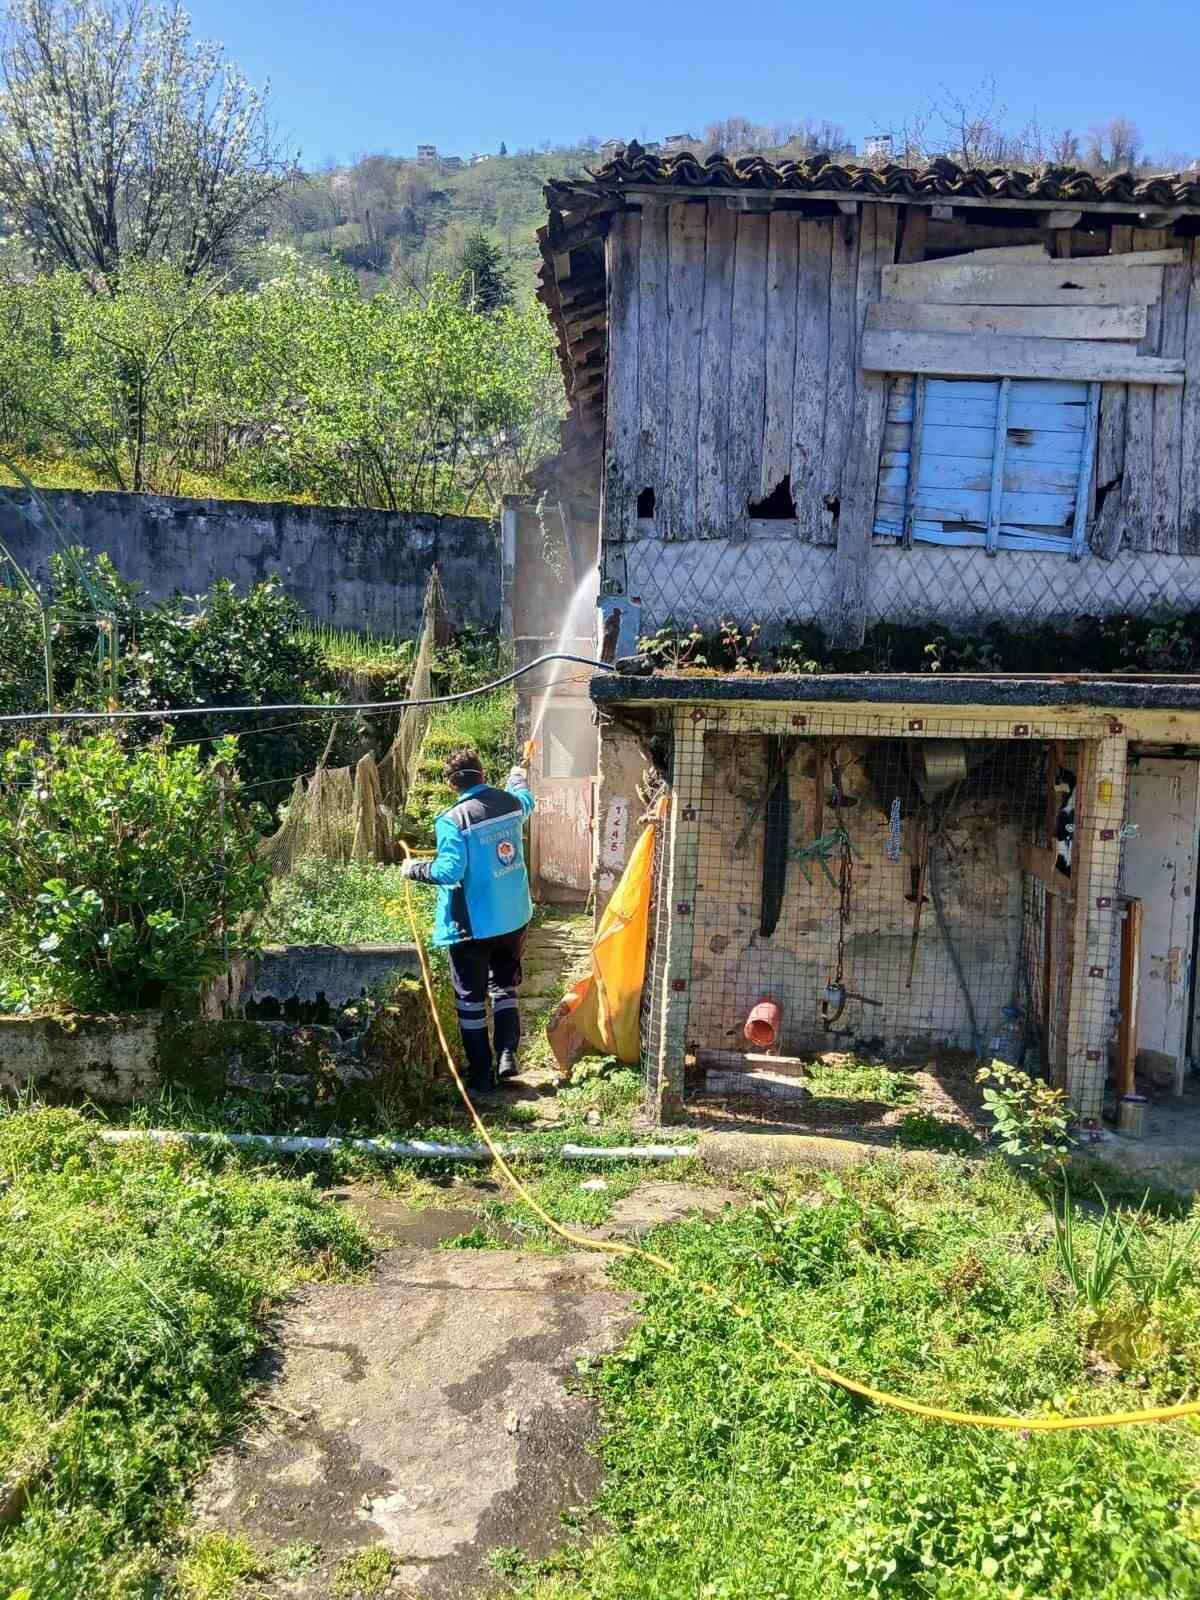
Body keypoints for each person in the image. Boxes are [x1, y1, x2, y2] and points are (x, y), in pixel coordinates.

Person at [401, 746, 535, 1093]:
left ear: (451, 785)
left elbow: (449, 871)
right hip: (513, 917)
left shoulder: (452, 820)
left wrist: (412, 868)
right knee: (503, 986)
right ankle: (507, 1054)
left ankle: (480, 1075)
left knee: (470, 1000)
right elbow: (526, 801)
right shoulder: (510, 803)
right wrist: (518, 778)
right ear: (483, 775)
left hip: (472, 925)